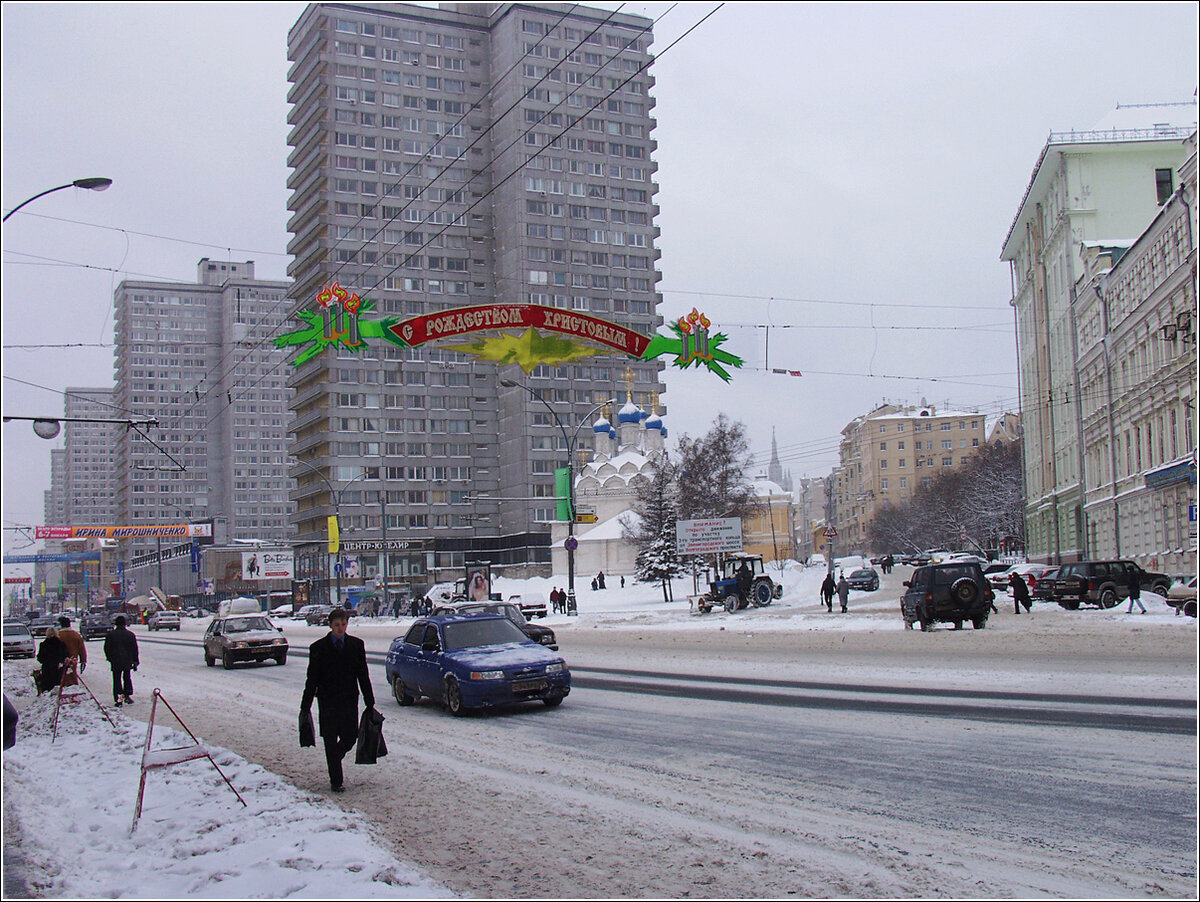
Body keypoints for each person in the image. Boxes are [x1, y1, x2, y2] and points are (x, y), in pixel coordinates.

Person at [300, 608, 375, 793]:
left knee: (350, 737)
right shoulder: (318, 648)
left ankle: (335, 758)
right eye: (337, 625)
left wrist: (370, 701)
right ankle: (336, 781)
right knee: (330, 739)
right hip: (328, 701)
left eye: (343, 624)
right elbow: (312, 679)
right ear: (330, 625)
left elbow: (362, 674)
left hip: (349, 700)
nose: (340, 629)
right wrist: (305, 706)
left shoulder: (356, 645)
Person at [103, 614, 139, 707]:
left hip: (115, 660)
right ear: (124, 624)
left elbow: (107, 648)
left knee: (117, 679)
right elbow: (134, 649)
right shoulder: (130, 635)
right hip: (127, 660)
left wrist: (110, 658)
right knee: (127, 677)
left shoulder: (111, 635)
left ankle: (119, 699)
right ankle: (127, 695)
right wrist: (135, 661)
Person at [36, 627, 70, 694]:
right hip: (58, 670)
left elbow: (40, 658)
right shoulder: (61, 644)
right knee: (57, 688)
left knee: (47, 689)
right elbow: (66, 656)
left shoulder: (43, 645)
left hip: (47, 670)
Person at [56, 616, 86, 687]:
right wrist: (83, 660)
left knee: (62, 677)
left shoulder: (58, 636)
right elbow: (82, 649)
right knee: (72, 676)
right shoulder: (76, 635)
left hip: (60, 661)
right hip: (73, 659)